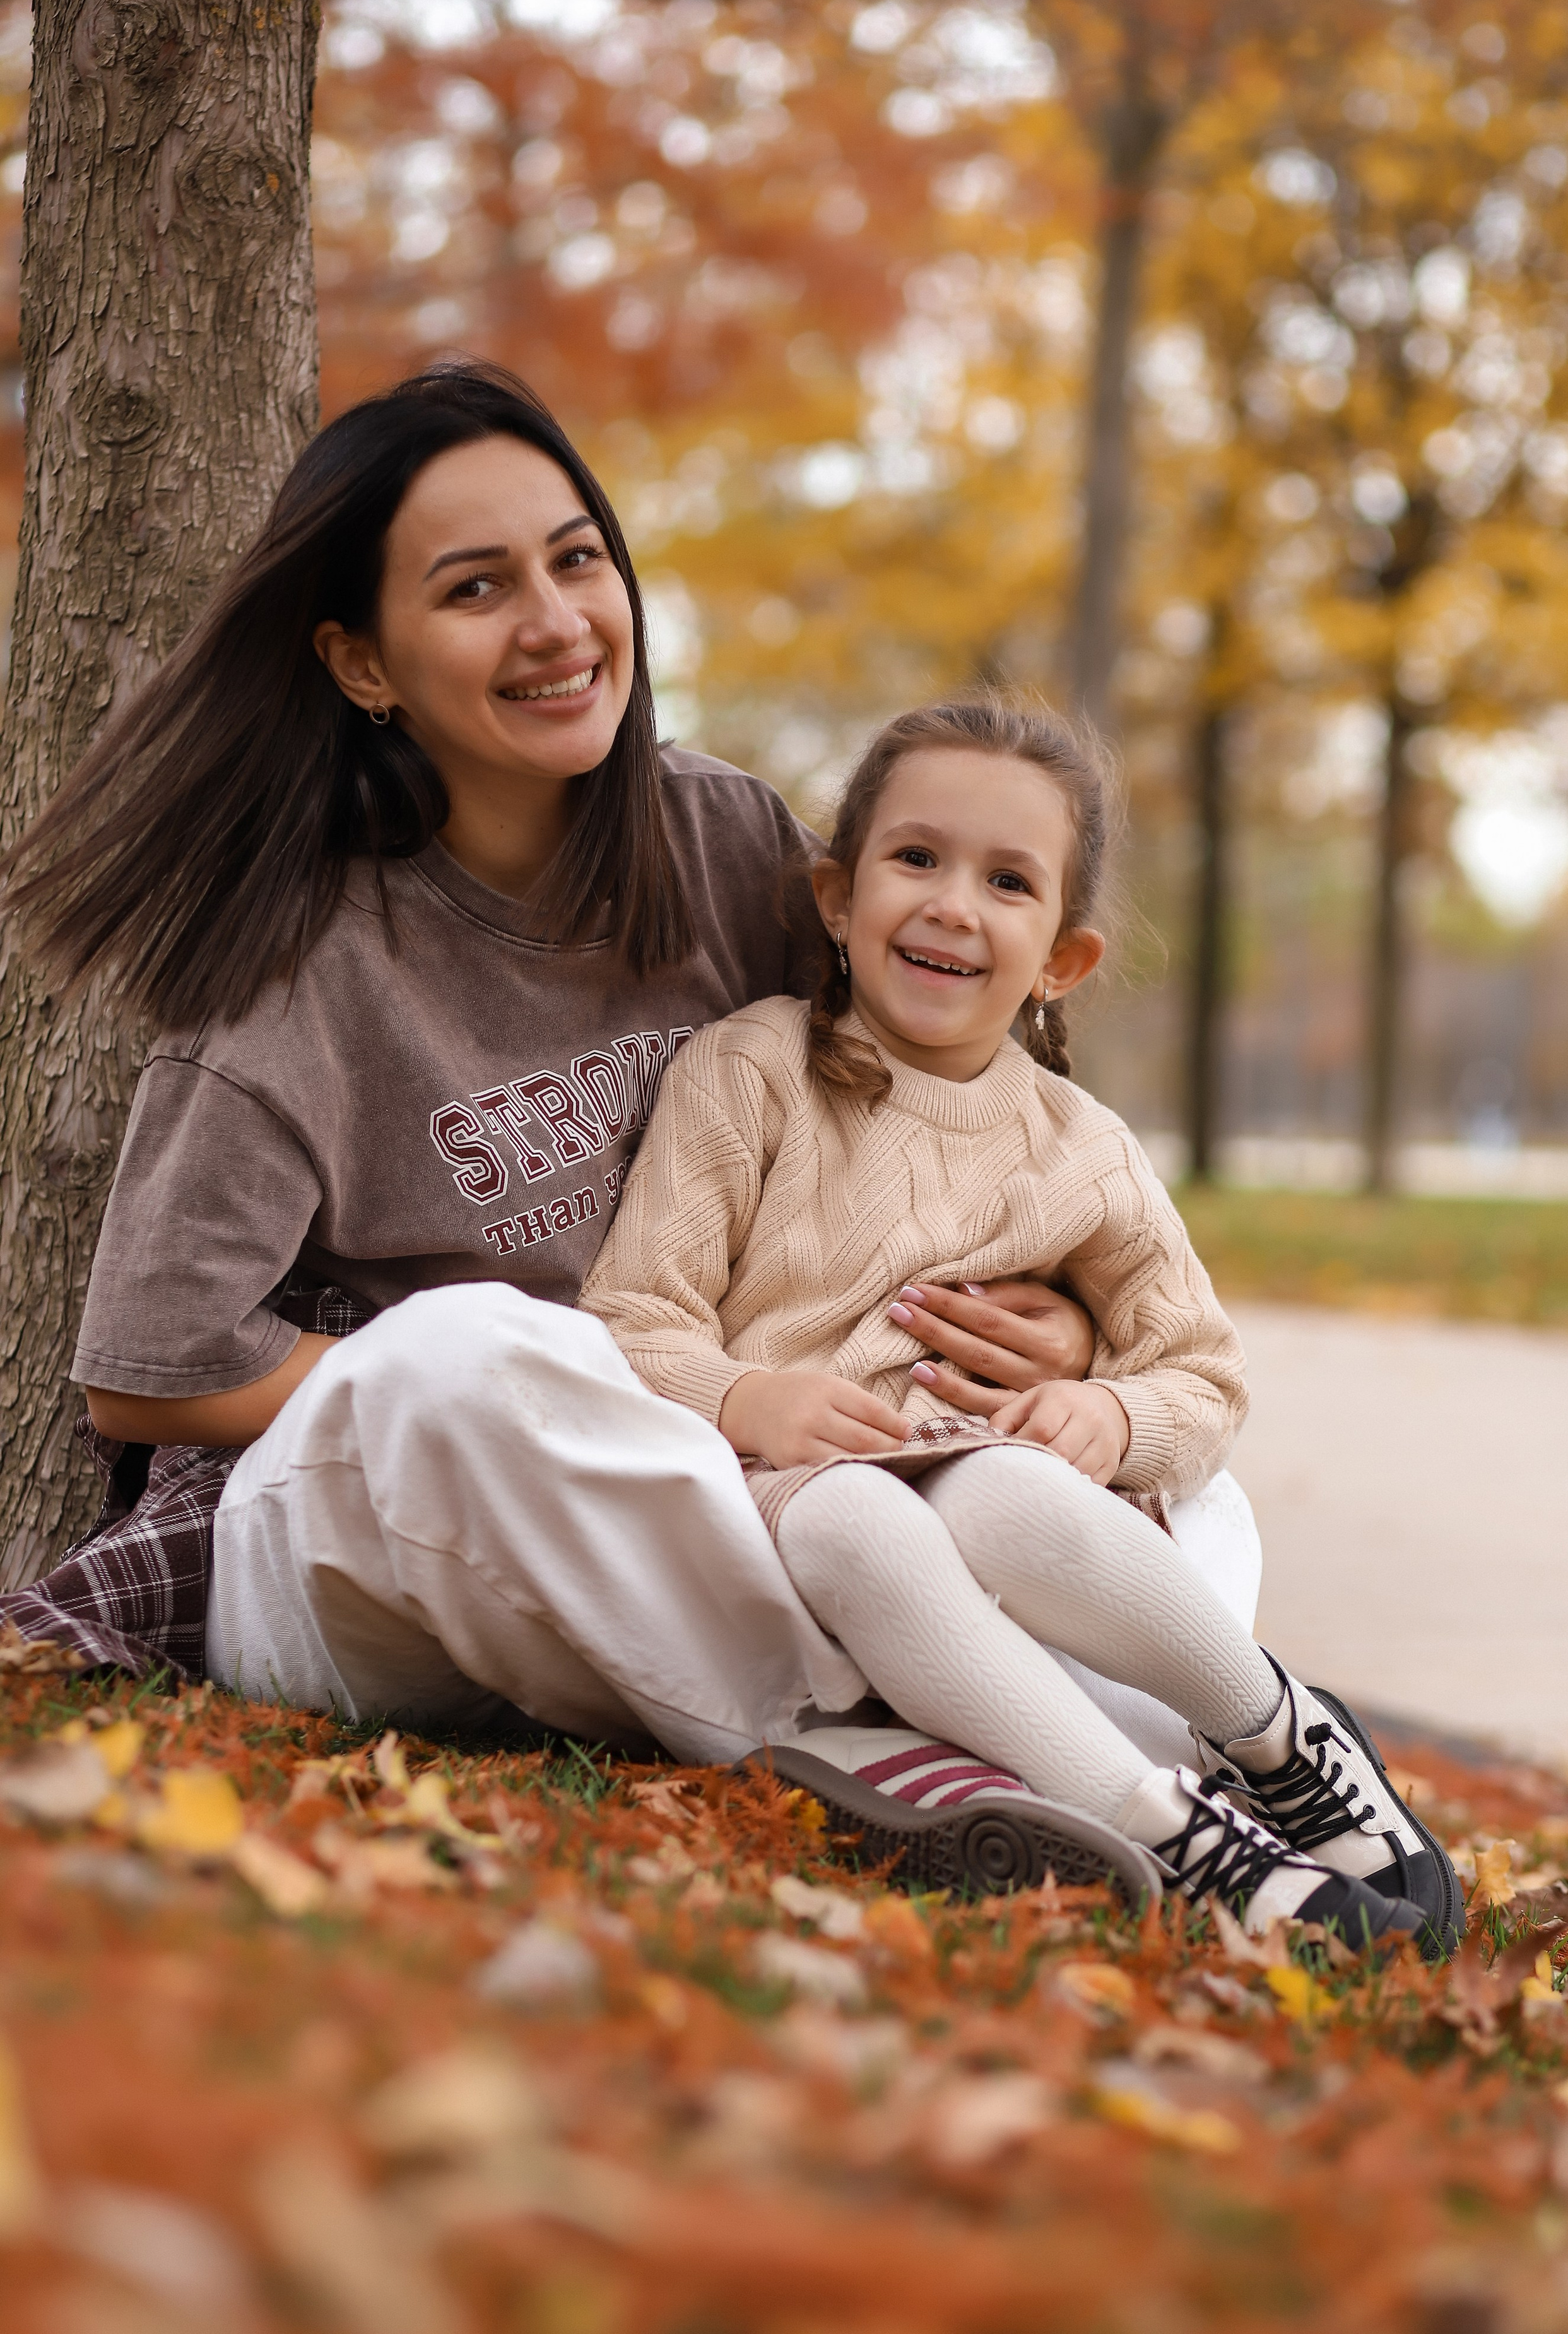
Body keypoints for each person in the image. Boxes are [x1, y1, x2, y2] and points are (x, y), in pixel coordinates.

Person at [3, 360, 1210, 1893]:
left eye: (577, 558)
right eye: (475, 588)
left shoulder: (727, 848)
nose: (558, 620)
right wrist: (642, 1405)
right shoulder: (292, 975)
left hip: (731, 1493)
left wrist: (1046, 1332)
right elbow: (145, 1374)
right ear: (364, 663)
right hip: (399, 1534)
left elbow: (911, 1109)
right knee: (481, 1352)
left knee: (1151, 1470)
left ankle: (1181, 1737)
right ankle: (880, 1729)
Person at [581, 697, 1463, 1954]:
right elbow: (627, 1313)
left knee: (1007, 1490)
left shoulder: (1079, 1148)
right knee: (860, 1510)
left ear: (1060, 957)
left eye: (1007, 881)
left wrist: (1107, 1409)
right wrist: (742, 1397)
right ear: (836, 896)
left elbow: (1201, 1374)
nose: (951, 904)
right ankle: (1160, 1827)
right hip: (782, 1499)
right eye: (915, 858)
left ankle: (1276, 1728)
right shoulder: (751, 1070)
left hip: (989, 1494)